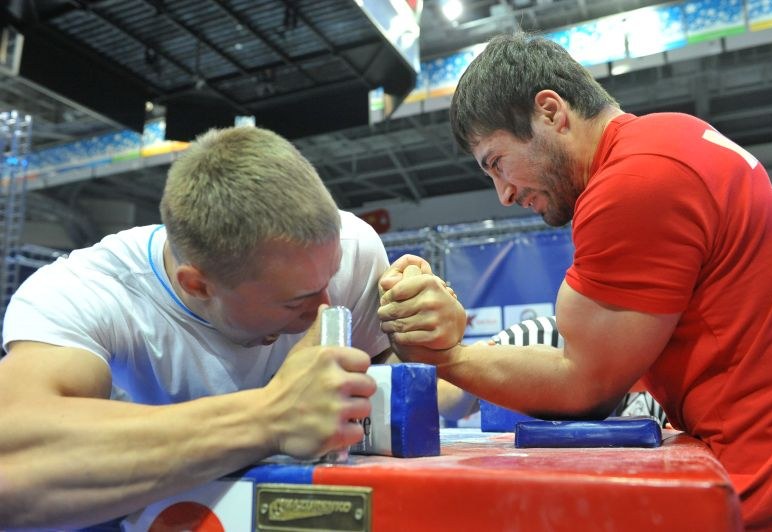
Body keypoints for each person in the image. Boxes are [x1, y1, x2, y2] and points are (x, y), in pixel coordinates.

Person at [378, 33, 772, 530]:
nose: (505, 194)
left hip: (767, 485)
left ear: (551, 112)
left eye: (496, 162)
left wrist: (444, 356)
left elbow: (585, 385)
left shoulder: (635, 179)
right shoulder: (671, 138)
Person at [0, 126, 461, 529]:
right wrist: (271, 416)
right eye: (297, 300)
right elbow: (12, 465)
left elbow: (394, 392)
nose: (324, 307)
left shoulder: (352, 247)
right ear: (197, 284)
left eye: (331, 278)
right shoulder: (89, 292)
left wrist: (435, 349)